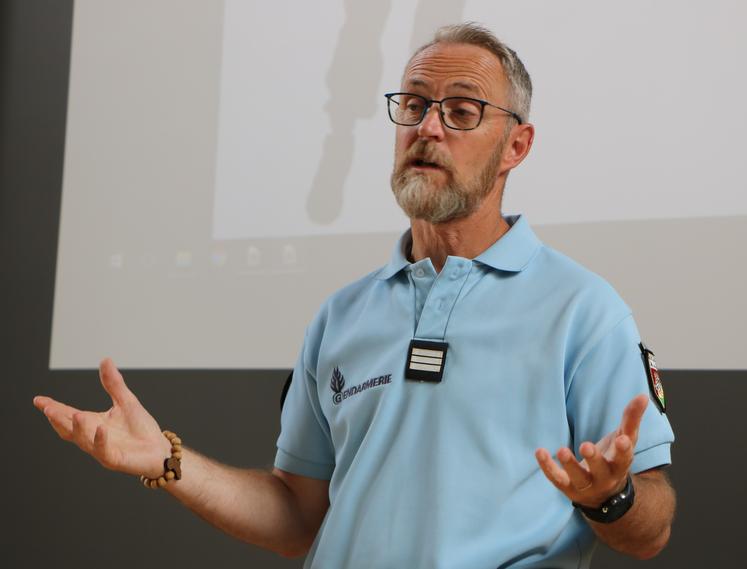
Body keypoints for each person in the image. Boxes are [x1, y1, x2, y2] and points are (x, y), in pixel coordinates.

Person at [34, 22, 675, 569]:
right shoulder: (342, 314)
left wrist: (610, 498)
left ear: (517, 146)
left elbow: (653, 528)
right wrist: (167, 461)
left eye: (461, 110)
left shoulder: (584, 311)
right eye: (414, 104)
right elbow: (297, 515)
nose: (428, 127)